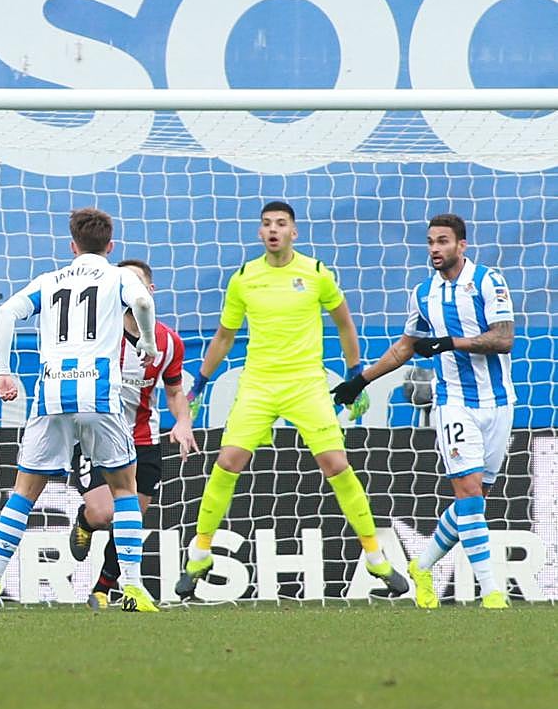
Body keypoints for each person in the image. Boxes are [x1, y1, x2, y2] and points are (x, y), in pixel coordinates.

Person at [178, 201, 408, 599]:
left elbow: (344, 323)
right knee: (227, 461)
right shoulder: (245, 278)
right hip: (259, 385)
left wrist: (354, 376)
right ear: (260, 232)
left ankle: (375, 557)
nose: (273, 230)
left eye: (281, 224)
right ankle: (199, 553)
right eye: (266, 224)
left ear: (293, 232)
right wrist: (198, 383)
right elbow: (224, 337)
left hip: (306, 384)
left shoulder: (316, 273)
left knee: (336, 464)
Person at [0, 209, 161, 614]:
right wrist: (146, 341)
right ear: (110, 247)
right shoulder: (118, 276)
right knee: (125, 490)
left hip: (52, 394)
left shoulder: (50, 280)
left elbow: (5, 313)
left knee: (24, 493)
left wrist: (4, 372)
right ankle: (132, 588)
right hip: (99, 393)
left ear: (72, 246)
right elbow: (143, 301)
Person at [331, 214, 514, 609]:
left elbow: (504, 338)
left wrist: (451, 342)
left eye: (443, 241)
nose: (435, 248)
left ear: (461, 245)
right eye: (430, 241)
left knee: (474, 500)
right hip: (454, 405)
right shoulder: (423, 293)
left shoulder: (487, 281)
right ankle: (492, 591)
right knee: (466, 492)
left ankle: (422, 565)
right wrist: (361, 380)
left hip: (499, 403)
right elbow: (405, 347)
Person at [68, 259, 197, 609]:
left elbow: (173, 393)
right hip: (96, 435)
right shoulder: (94, 336)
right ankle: (84, 521)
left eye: (137, 283)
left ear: (150, 292)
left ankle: (102, 588)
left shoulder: (169, 343)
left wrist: (182, 421)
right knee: (104, 514)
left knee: (131, 518)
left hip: (142, 440)